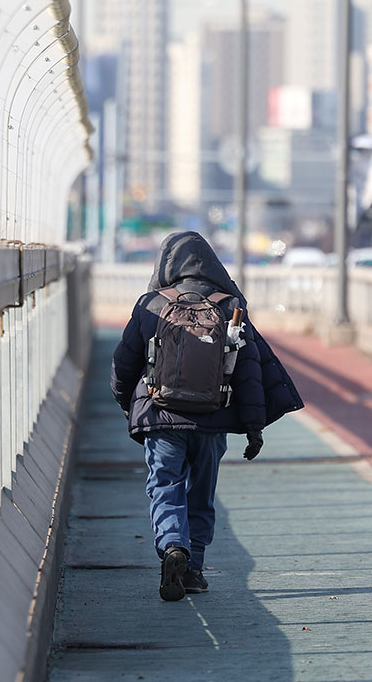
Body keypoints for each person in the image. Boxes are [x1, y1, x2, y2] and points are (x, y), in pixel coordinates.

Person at [110, 231, 304, 601]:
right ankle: (194, 568)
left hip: (161, 416)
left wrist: (127, 405)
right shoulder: (229, 305)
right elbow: (249, 373)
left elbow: (124, 364)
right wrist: (253, 428)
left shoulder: (151, 304)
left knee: (164, 487)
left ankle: (172, 547)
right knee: (201, 494)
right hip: (213, 418)